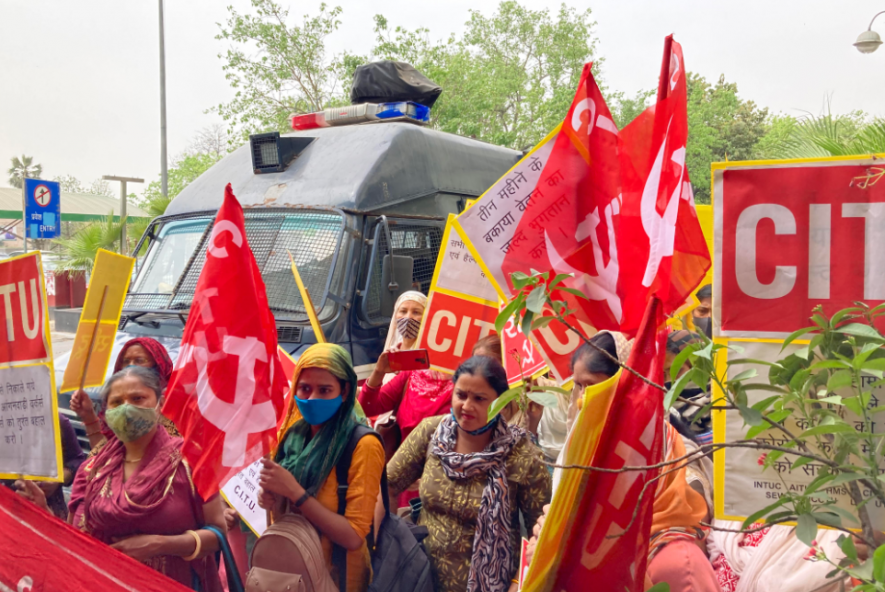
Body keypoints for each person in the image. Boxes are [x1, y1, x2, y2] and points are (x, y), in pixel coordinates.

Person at [533, 333, 719, 592]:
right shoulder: (580, 449)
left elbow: (688, 513)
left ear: (626, 386)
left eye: (593, 386)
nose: (582, 398)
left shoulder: (667, 450)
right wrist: (547, 541)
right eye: (579, 386)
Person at [17, 366, 225, 591]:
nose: (127, 408)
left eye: (138, 398)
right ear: (106, 412)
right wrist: (43, 511)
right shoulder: (93, 470)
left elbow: (218, 531)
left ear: (160, 404)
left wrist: (160, 545)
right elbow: (74, 539)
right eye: (117, 402)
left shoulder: (191, 462)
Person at [387, 355, 551, 592]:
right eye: (461, 395)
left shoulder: (523, 455)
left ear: (502, 403)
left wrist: (518, 584)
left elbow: (541, 532)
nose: (466, 406)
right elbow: (388, 484)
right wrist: (393, 547)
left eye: (479, 398)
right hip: (419, 581)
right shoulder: (431, 432)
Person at [254, 343, 384, 592]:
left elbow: (354, 537)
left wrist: (295, 493)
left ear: (344, 391)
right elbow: (282, 514)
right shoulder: (292, 437)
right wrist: (272, 498)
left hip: (337, 578)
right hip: (291, 575)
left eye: (324, 390)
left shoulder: (362, 445)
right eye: (304, 389)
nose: (311, 398)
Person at [359, 291, 454, 459]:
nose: (408, 318)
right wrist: (378, 372)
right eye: (403, 311)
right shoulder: (405, 366)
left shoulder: (457, 380)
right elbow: (369, 406)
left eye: (416, 312)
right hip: (403, 458)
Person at [70, 336, 178, 451]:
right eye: (126, 361)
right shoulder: (116, 402)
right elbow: (102, 454)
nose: (130, 366)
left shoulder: (178, 404)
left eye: (140, 360)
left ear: (158, 364)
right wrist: (89, 416)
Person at [471, 335, 543, 435]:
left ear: (506, 363)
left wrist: (533, 421)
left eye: (489, 365)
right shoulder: (474, 396)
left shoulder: (532, 392)